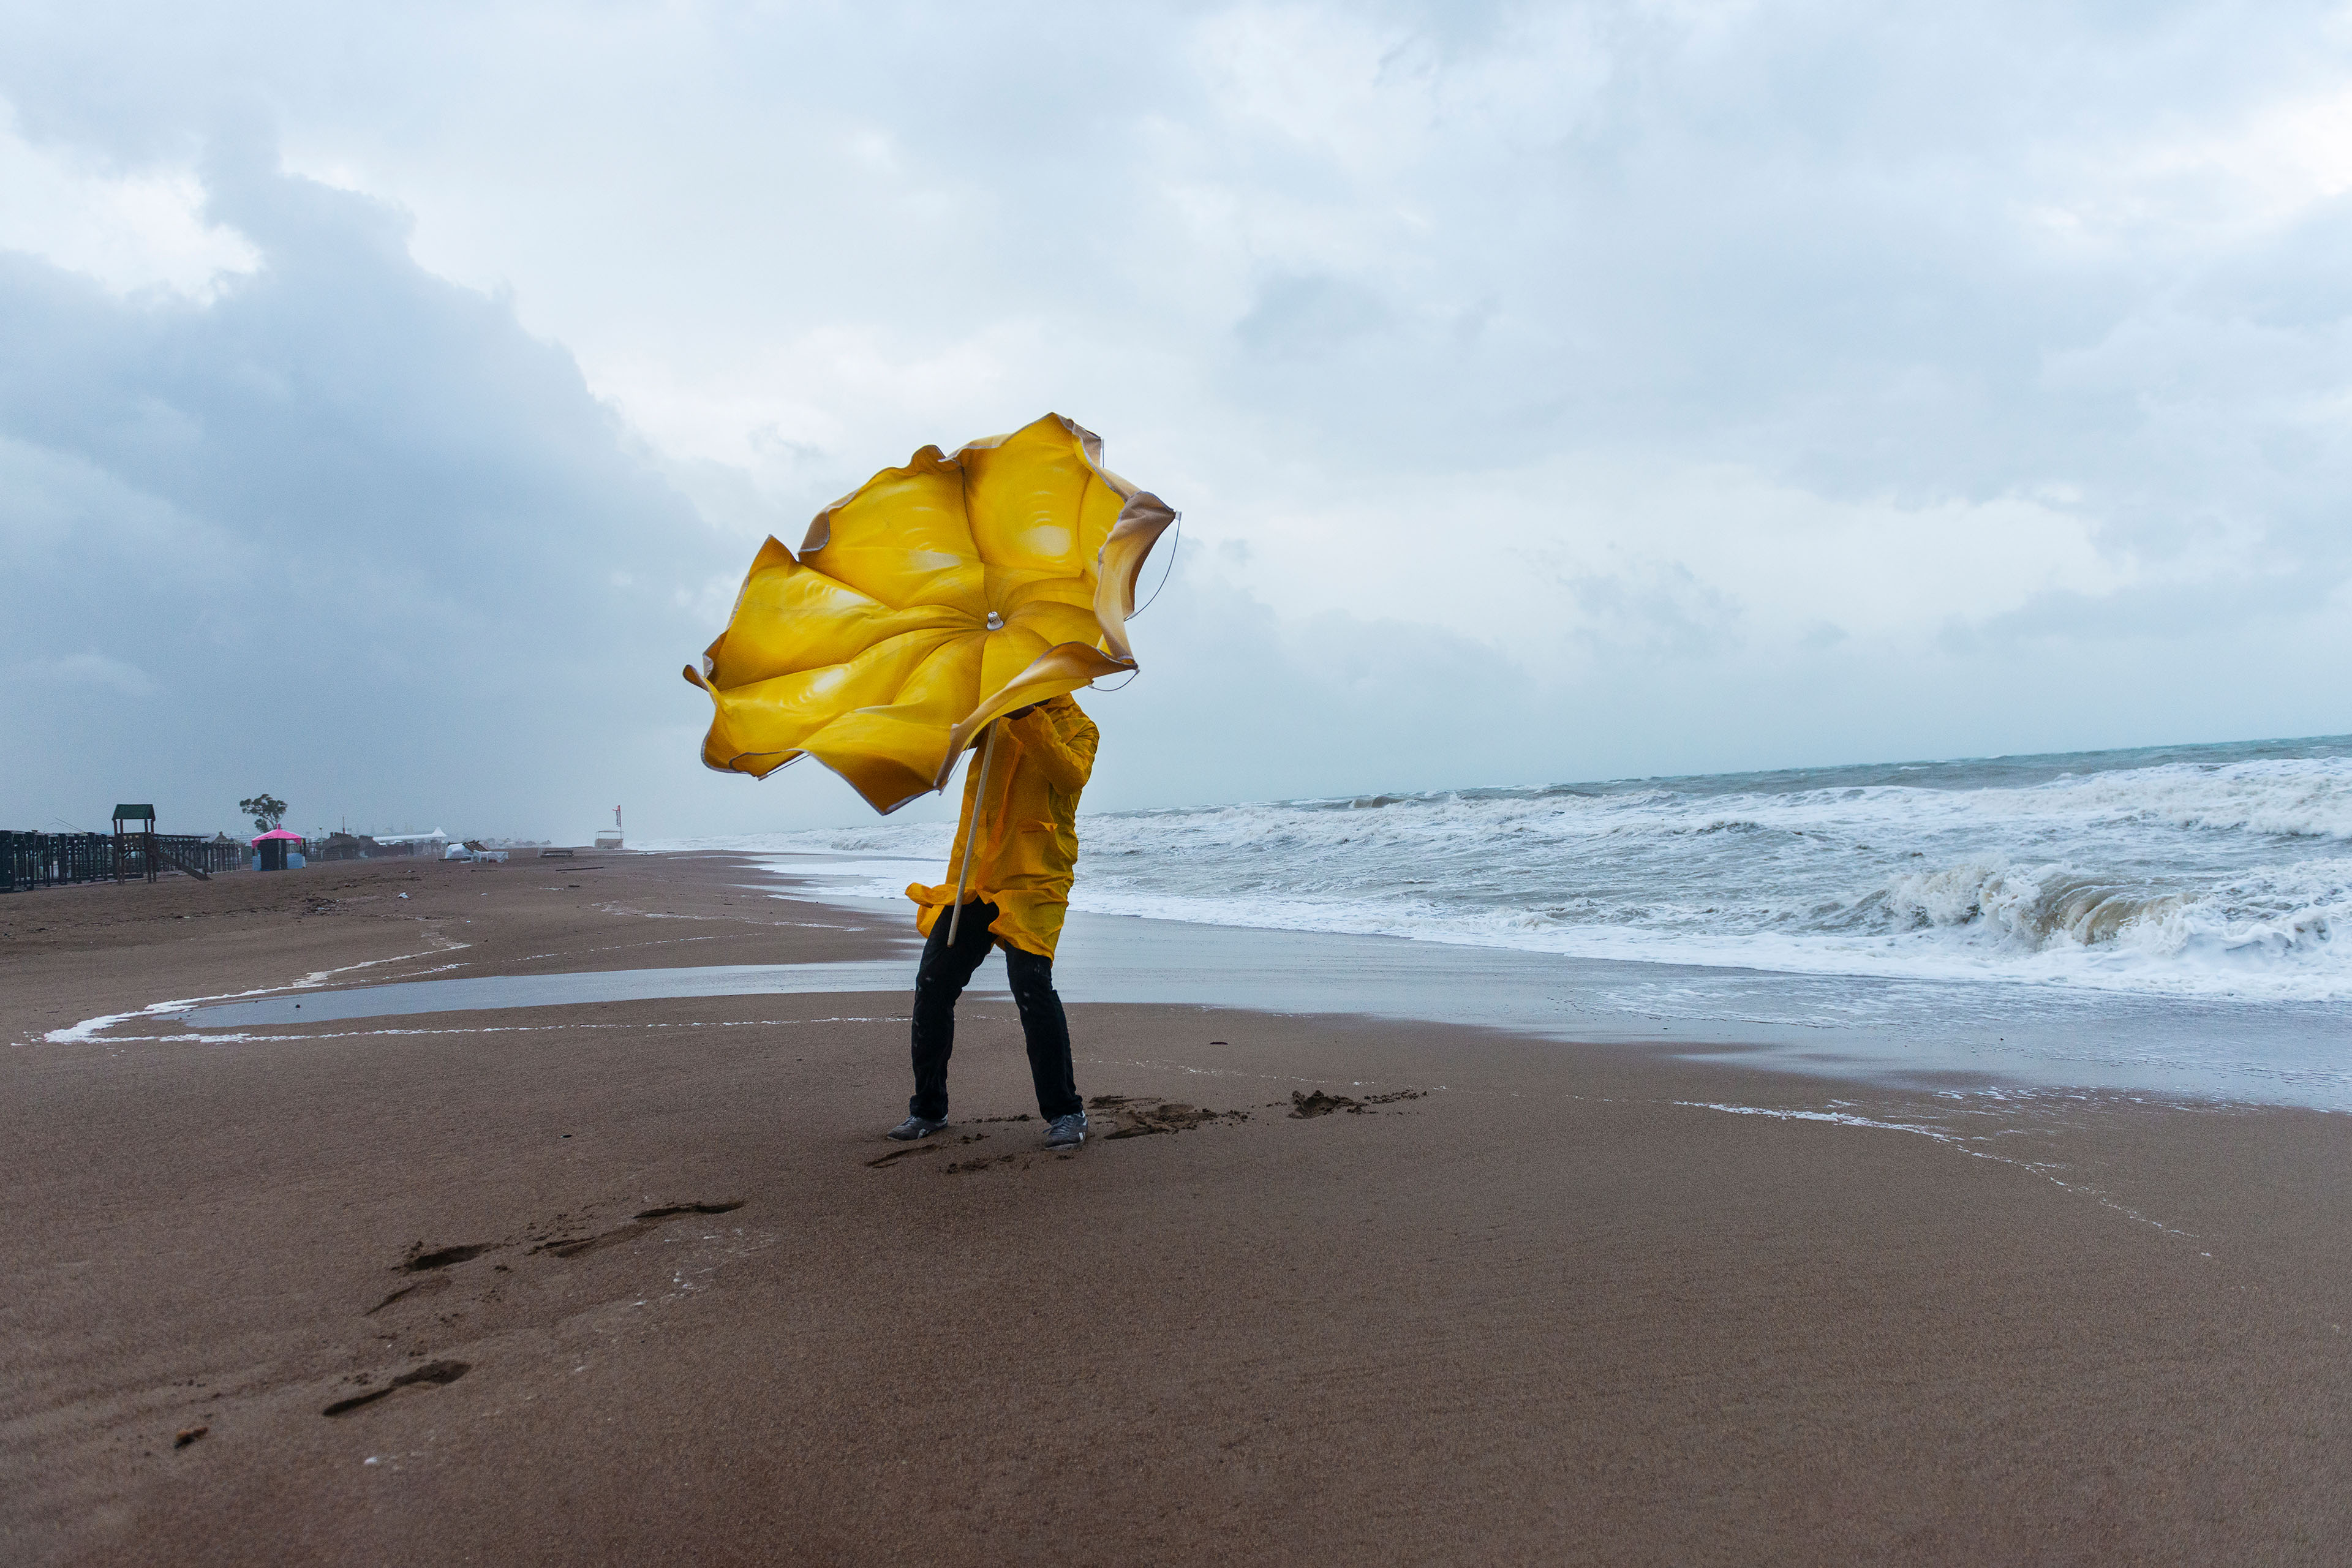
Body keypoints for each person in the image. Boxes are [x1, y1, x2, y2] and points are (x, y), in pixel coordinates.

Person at [889, 693, 1098, 1149]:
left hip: (1035, 880)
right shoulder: (992, 720)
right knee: (933, 983)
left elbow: (1068, 775)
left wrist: (1025, 715)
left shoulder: (1079, 726)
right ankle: (928, 1109)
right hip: (976, 879)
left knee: (1032, 986)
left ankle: (1067, 1111)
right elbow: (945, 746)